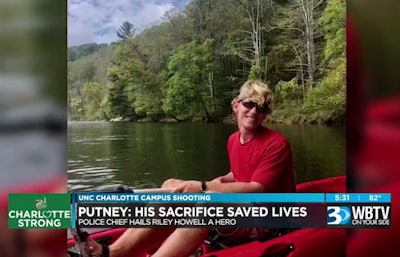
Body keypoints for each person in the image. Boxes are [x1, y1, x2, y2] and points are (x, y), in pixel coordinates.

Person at [88, 80, 295, 257]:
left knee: (208, 204)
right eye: (250, 104)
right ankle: (111, 252)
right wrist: (219, 181)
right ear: (236, 105)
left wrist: (203, 187)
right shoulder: (233, 140)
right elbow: (239, 173)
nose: (254, 112)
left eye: (262, 108)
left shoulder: (276, 144)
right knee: (171, 186)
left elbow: (257, 188)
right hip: (244, 206)